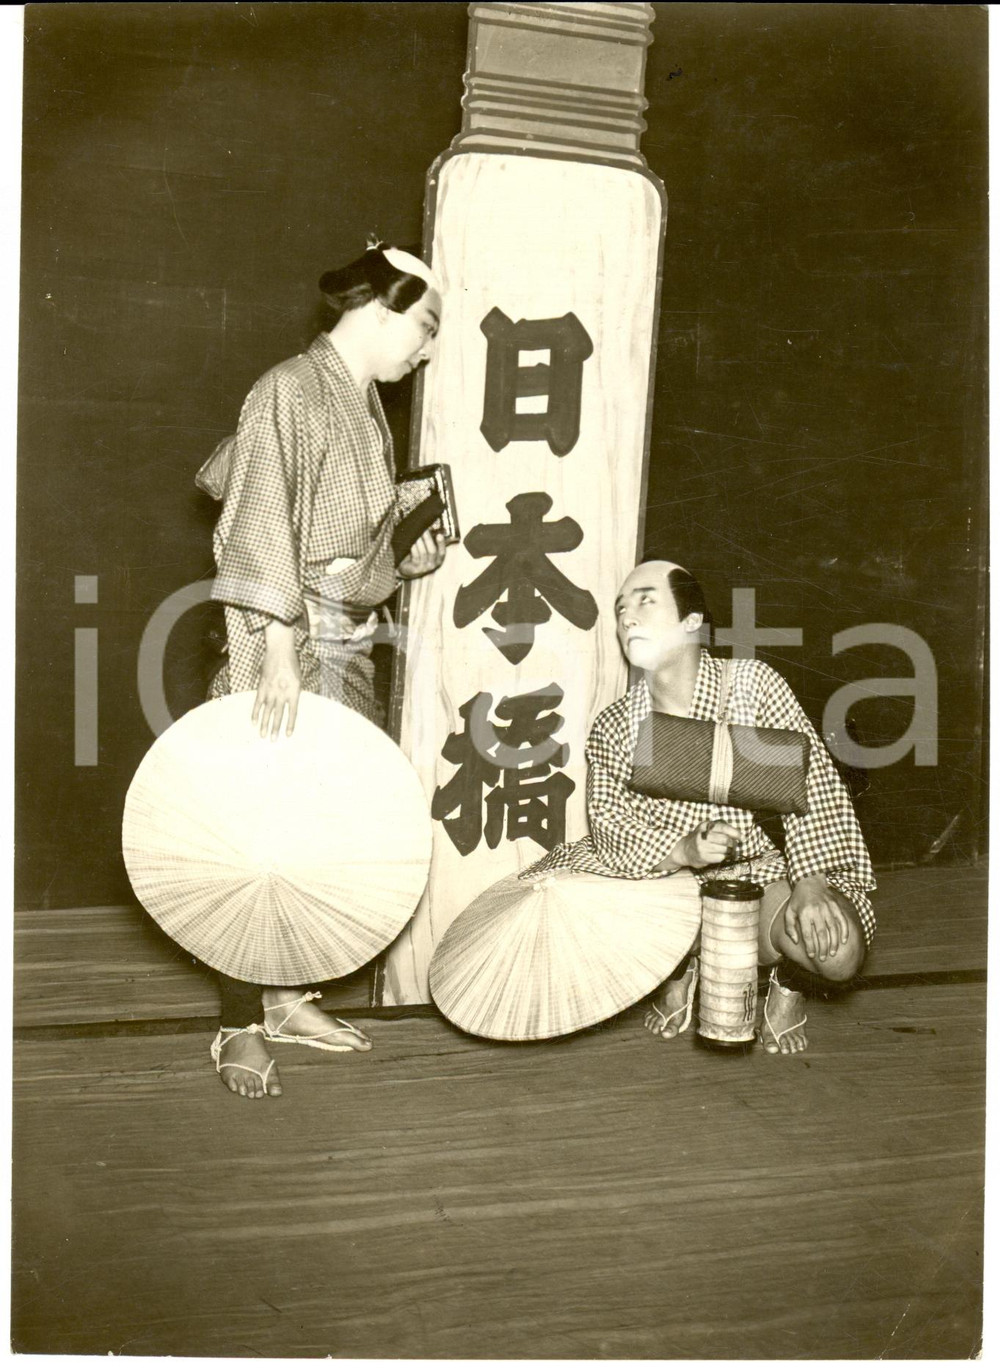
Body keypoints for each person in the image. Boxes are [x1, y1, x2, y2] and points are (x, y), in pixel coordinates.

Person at [195, 243, 448, 1099]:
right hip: (281, 643)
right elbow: (260, 522)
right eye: (422, 326)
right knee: (256, 832)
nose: (425, 347)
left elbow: (355, 554)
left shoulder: (367, 408)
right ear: (381, 310)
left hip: (342, 640)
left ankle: (286, 994)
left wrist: (398, 566)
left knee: (323, 828)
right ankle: (238, 1018)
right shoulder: (285, 390)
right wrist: (273, 654)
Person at [521, 559, 876, 1055]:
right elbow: (610, 825)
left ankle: (789, 985)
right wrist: (683, 848)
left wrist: (811, 882)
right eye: (621, 609)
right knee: (552, 913)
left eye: (646, 601)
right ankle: (674, 966)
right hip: (659, 883)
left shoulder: (751, 686)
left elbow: (811, 786)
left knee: (837, 952)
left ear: (692, 622)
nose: (628, 618)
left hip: (754, 878)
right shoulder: (615, 725)